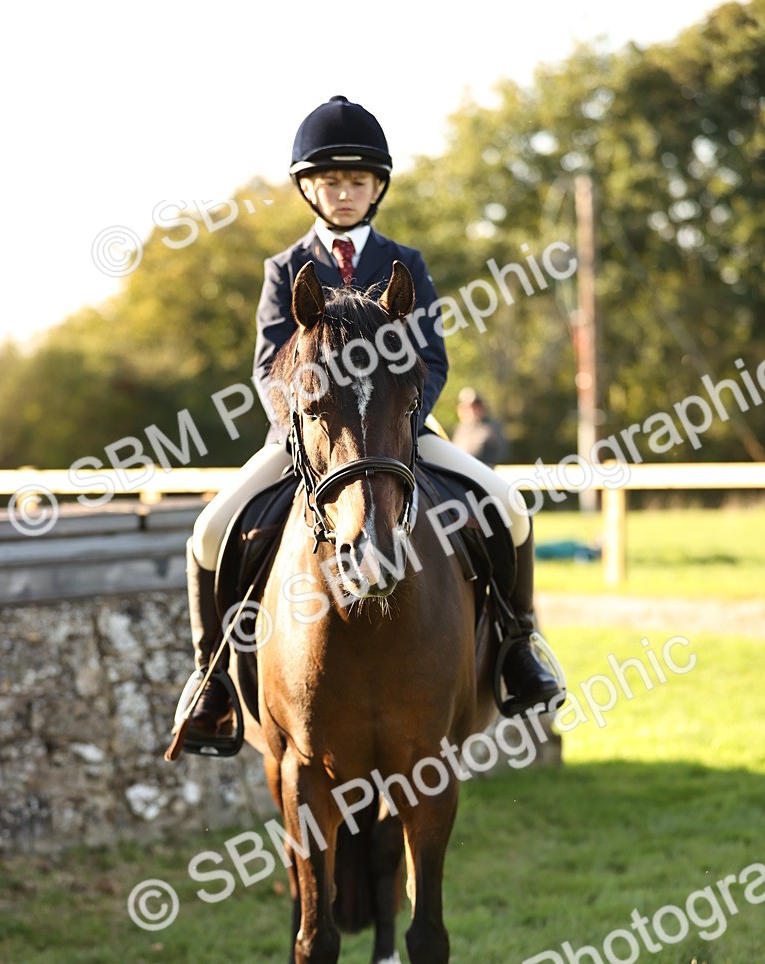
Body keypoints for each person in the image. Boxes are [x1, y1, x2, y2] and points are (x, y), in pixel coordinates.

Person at [175, 96, 564, 749]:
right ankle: (209, 682)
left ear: (377, 187)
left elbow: (431, 359)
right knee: (209, 529)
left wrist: (402, 422)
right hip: (309, 441)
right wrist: (303, 426)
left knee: (509, 505)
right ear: (309, 189)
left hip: (399, 436)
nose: (344, 192)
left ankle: (520, 648)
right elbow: (270, 369)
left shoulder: (405, 262)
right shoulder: (284, 270)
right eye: (331, 181)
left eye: (357, 181)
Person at [451, 387, 510, 467]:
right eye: (466, 407)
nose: (471, 411)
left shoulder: (492, 428)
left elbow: (501, 456)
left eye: (474, 406)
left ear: (481, 407)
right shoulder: (460, 429)